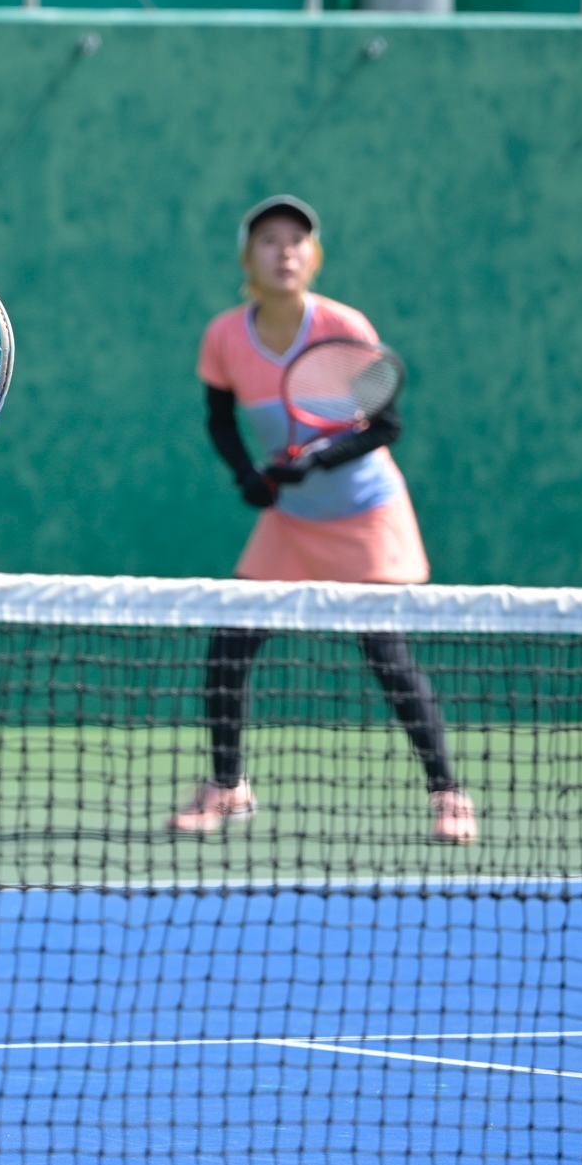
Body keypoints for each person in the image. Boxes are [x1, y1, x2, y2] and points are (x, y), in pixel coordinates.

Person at [168, 194, 477, 846]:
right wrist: (248, 476)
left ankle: (449, 794)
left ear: (313, 256)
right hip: (291, 521)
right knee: (228, 647)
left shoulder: (343, 326)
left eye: (296, 240)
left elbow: (385, 426)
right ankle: (228, 785)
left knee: (387, 656)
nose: (284, 251)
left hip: (366, 514)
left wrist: (318, 459)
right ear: (248, 258)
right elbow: (219, 420)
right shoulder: (225, 336)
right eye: (269, 240)